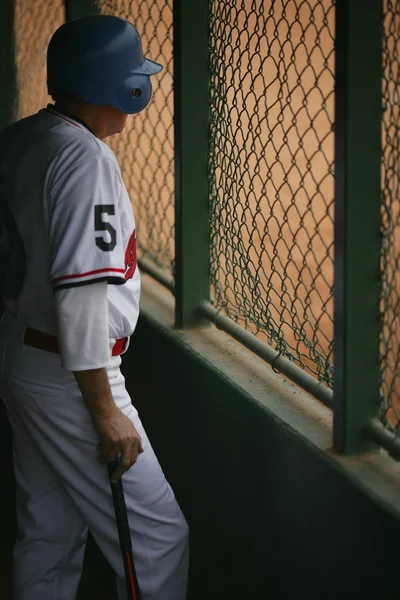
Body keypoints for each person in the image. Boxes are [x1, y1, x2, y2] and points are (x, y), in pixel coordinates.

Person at [0, 14, 189, 600]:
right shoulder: (86, 161)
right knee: (157, 539)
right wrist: (105, 411)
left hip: (24, 352)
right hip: (72, 374)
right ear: (118, 88)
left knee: (50, 535)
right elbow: (82, 295)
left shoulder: (22, 137)